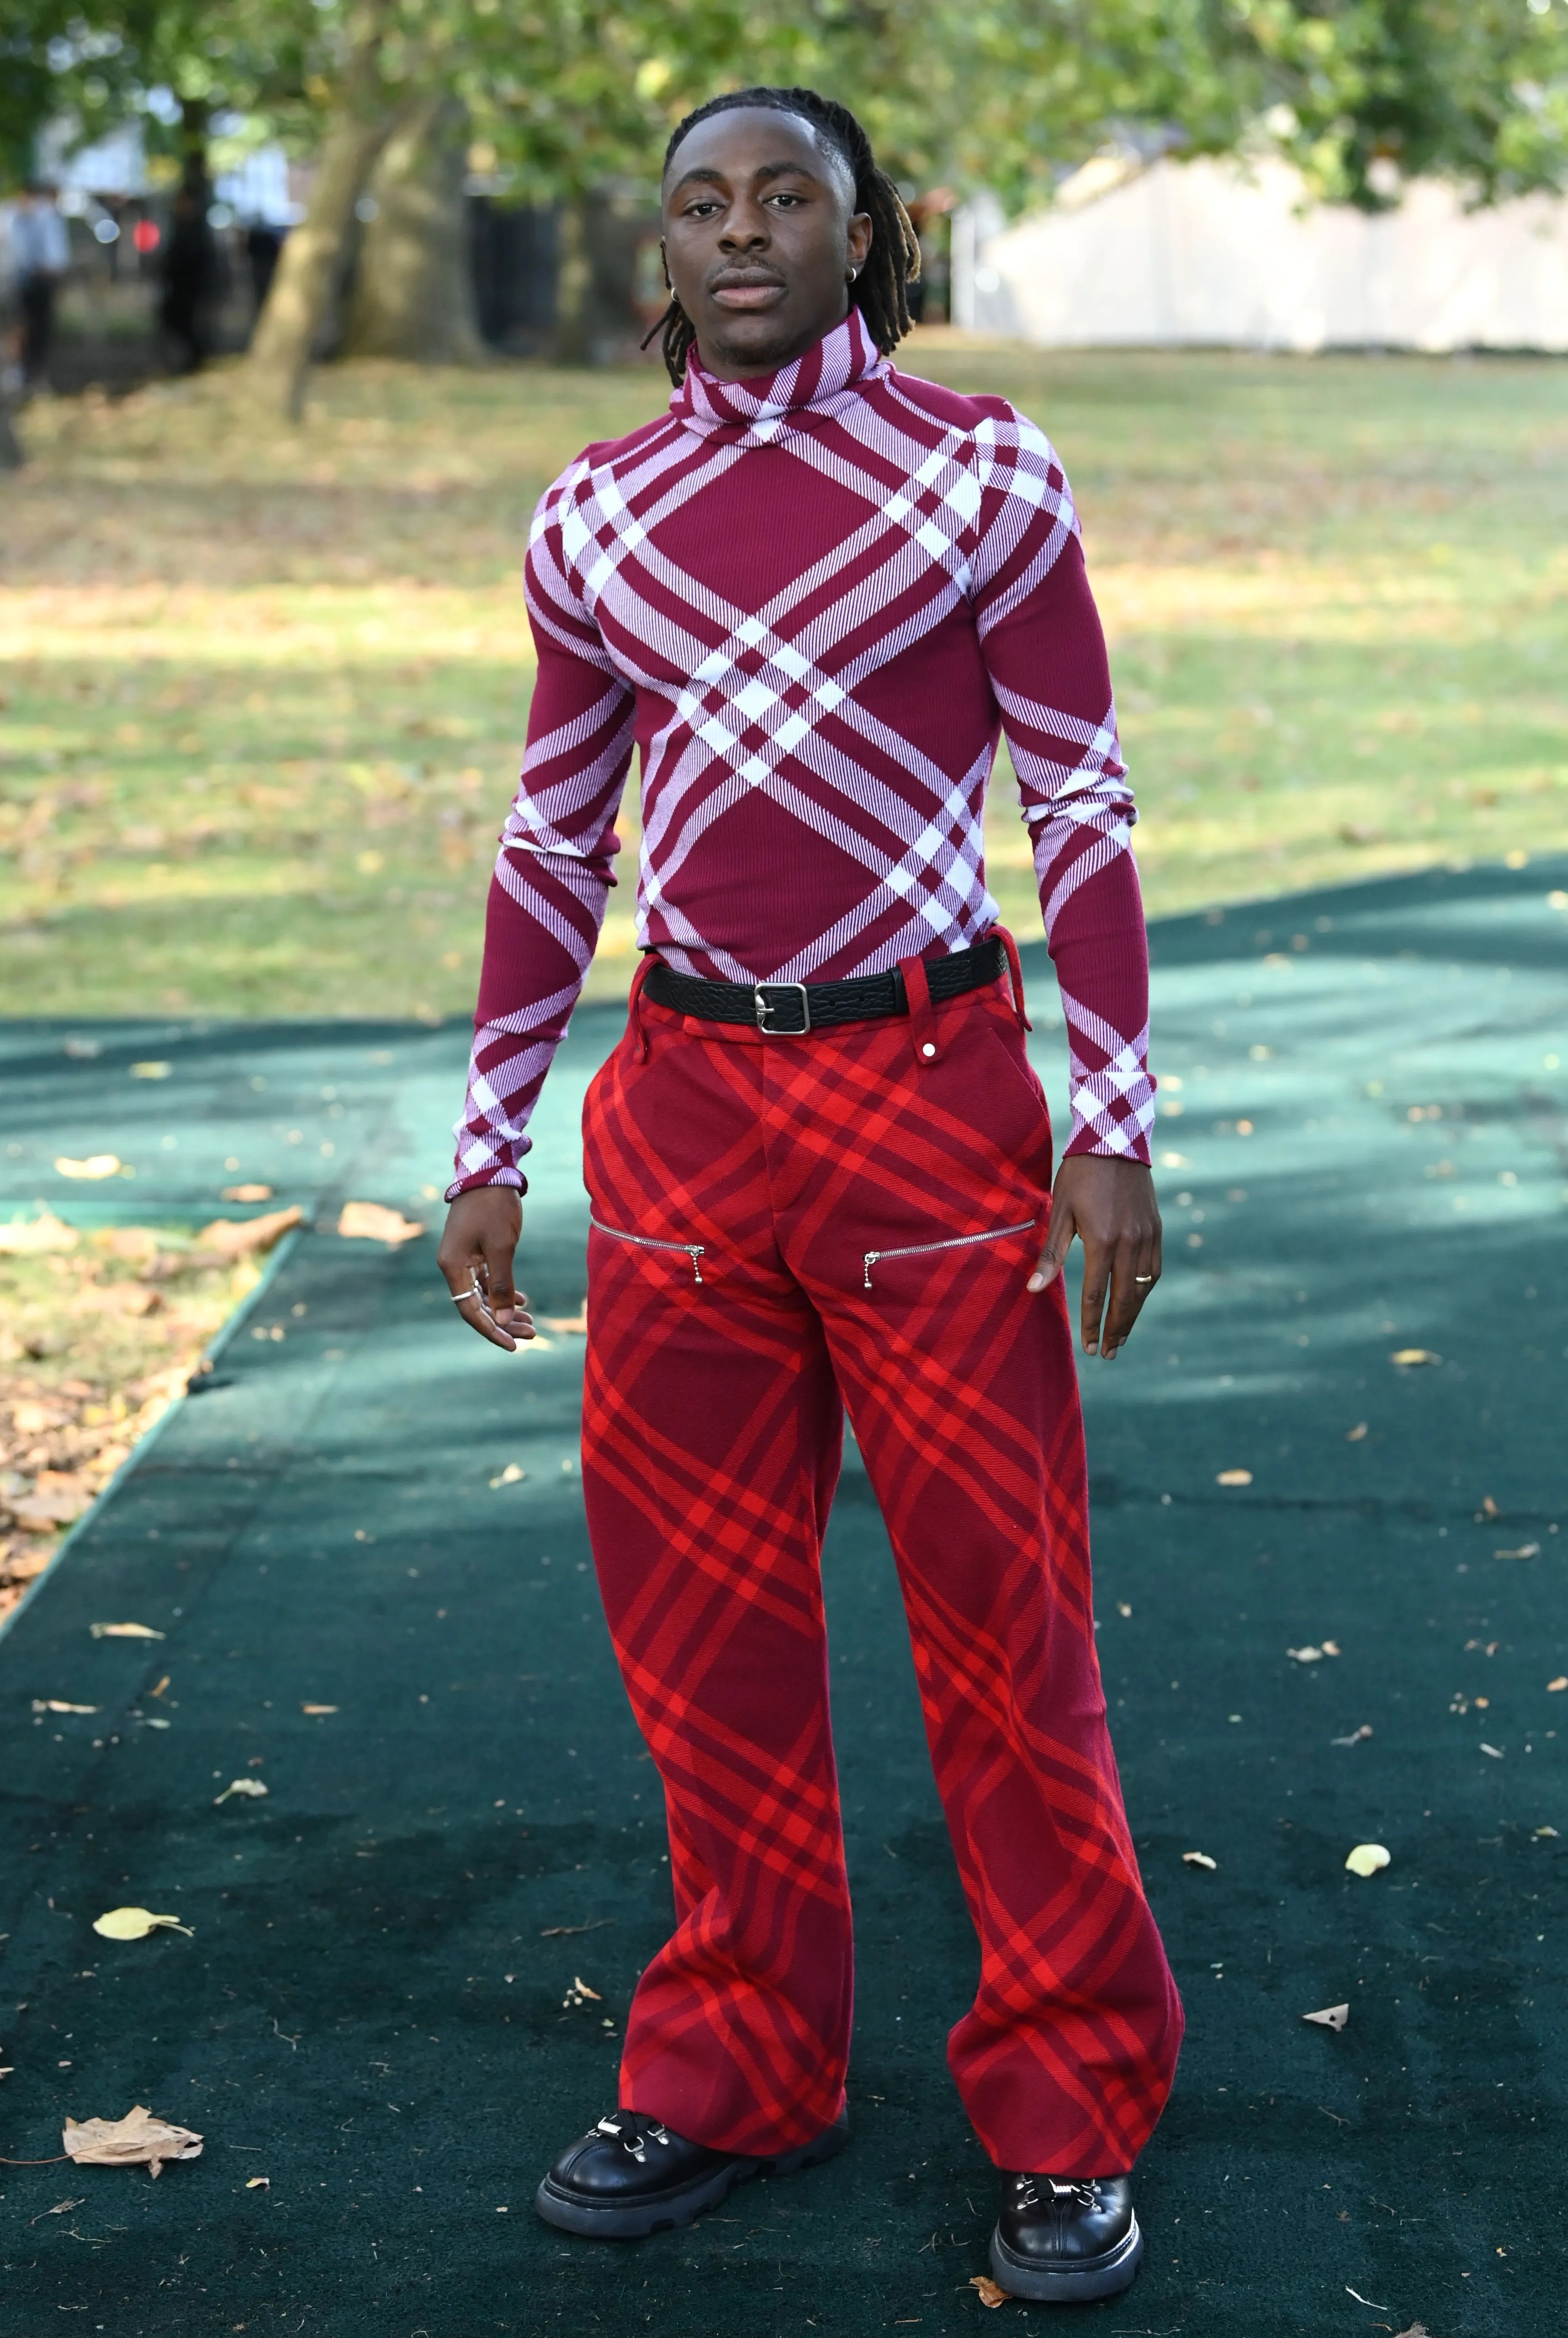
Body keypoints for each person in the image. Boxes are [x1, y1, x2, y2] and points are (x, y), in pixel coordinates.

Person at [438, 85, 1182, 2306]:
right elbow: (555, 839)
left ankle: (1065, 2104)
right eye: (699, 201)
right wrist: (487, 1137)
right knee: (704, 1639)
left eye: (788, 197)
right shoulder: (591, 517)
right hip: (677, 1106)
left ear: (866, 236)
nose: (740, 230)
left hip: (930, 1095)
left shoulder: (979, 471)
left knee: (1001, 1632)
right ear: (656, 248)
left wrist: (1113, 1114)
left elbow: (1080, 795)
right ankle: (732, 2065)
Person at [2, 182, 69, 391]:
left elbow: (56, 257)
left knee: (38, 328)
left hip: (41, 281)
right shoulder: (16, 215)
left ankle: (32, 372)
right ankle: (18, 372)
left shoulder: (46, 216)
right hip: (25, 280)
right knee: (21, 326)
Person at [157, 186, 217, 373]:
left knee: (186, 322)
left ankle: (196, 358)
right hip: (181, 284)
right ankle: (192, 358)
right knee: (177, 320)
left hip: (190, 285)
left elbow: (192, 257)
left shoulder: (194, 229)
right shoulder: (180, 226)